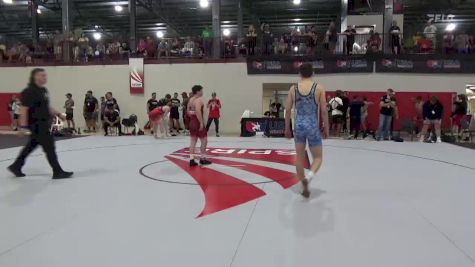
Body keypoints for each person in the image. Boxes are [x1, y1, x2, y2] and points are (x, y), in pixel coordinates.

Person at [7, 68, 73, 179]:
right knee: (49, 146)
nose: (45, 77)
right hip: (36, 124)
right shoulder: (29, 91)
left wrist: (58, 114)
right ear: (35, 77)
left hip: (43, 123)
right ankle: (57, 171)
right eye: (42, 75)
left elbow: (46, 107)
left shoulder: (43, 91)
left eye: (45, 75)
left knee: (31, 145)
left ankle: (16, 166)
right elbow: (23, 109)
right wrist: (22, 127)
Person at [284, 63, 329, 198]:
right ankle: (308, 178)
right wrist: (326, 127)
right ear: (313, 73)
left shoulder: (294, 88)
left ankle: (302, 183)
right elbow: (324, 111)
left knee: (299, 157)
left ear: (300, 74)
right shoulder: (319, 88)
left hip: (299, 125)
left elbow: (287, 110)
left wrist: (287, 128)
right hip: (312, 125)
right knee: (318, 158)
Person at [187, 85, 212, 166]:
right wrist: (201, 122)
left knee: (193, 141)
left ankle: (191, 160)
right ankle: (202, 158)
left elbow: (188, 111)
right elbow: (198, 111)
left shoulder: (191, 99)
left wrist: (192, 117)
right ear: (198, 91)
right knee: (204, 140)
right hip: (197, 122)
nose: (202, 92)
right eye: (201, 90)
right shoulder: (199, 100)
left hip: (192, 122)